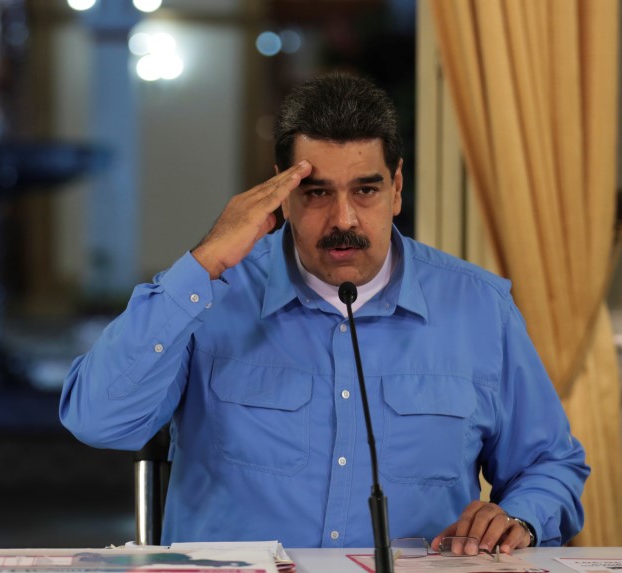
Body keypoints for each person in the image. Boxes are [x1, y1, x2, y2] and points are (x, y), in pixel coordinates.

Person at [60, 71, 589, 551]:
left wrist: (519, 518)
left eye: (366, 190)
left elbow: (549, 464)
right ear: (281, 192)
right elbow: (97, 421)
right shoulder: (210, 293)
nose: (344, 219)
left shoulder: (479, 307)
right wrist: (204, 263)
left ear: (397, 188)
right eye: (316, 193)